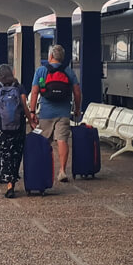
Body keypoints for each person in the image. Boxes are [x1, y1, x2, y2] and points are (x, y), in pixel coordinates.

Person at [27, 44, 82, 183]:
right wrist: (77, 108)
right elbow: (77, 91)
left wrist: (32, 111)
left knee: (43, 141)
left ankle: (43, 168)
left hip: (46, 112)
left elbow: (35, 92)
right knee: (62, 140)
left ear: (50, 56)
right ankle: (62, 170)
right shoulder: (68, 71)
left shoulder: (41, 71)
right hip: (63, 111)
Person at [0, 63, 37, 197]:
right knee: (15, 155)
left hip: (1, 128)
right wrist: (31, 121)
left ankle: (6, 180)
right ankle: (11, 182)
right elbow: (24, 106)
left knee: (4, 154)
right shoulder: (19, 87)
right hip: (18, 127)